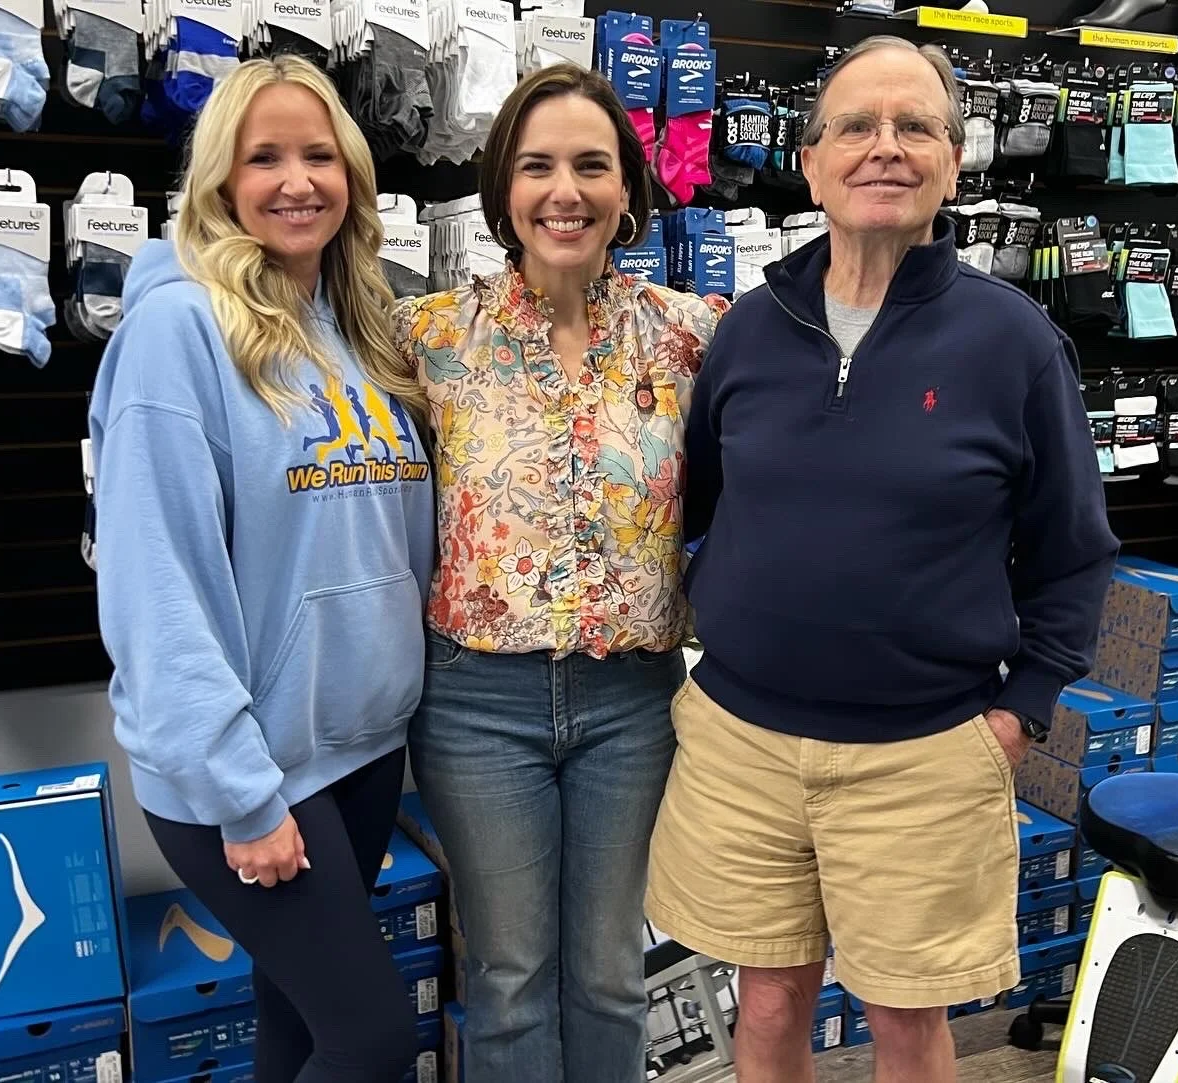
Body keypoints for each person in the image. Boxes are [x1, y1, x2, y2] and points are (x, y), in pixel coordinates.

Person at [644, 35, 1120, 1083]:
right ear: (810, 163)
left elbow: (1075, 552)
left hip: (926, 753)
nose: (885, 148)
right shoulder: (747, 335)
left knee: (906, 1019)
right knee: (765, 997)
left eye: (917, 127)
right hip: (742, 745)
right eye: (856, 125)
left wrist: (1019, 709)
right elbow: (706, 507)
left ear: (955, 163)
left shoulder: (1015, 346)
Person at [88, 54, 434, 1083]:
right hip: (251, 769)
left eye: (320, 155)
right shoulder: (177, 330)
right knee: (372, 1042)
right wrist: (244, 794)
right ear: (220, 182)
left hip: (363, 749)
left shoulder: (358, 330)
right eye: (265, 157)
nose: (298, 181)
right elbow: (158, 587)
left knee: (298, 1024)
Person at [393, 62, 728, 1083]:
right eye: (537, 166)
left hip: (633, 704)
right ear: (504, 190)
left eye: (590, 164)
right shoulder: (429, 337)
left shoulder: (692, 337)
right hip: (474, 705)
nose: (564, 190)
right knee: (506, 980)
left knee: (613, 976)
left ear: (629, 186)